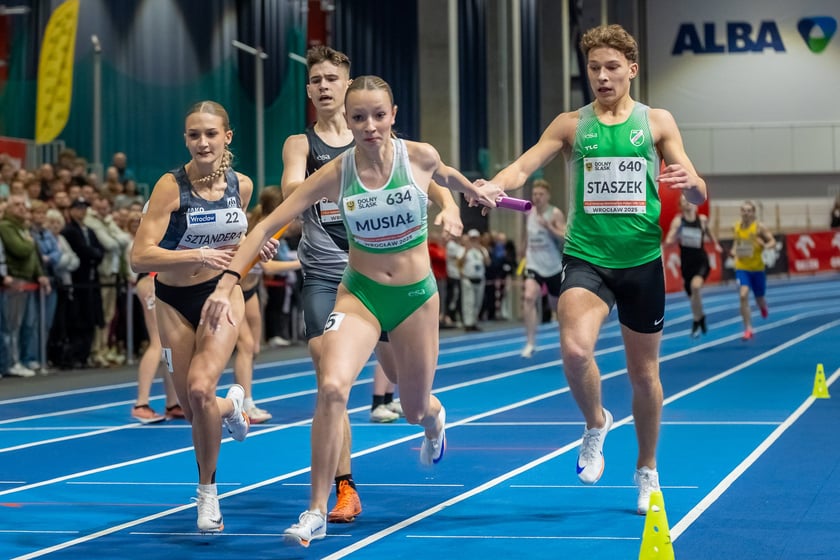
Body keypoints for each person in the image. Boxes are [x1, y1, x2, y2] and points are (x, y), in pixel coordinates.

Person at [204, 75, 501, 547]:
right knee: (332, 387)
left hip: (414, 301)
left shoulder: (417, 155)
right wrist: (226, 281)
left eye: (378, 116)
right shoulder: (337, 173)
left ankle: (434, 419)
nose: (369, 126)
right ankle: (316, 510)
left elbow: (449, 178)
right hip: (358, 293)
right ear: (348, 117)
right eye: (358, 117)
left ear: (393, 115)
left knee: (413, 408)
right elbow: (268, 226)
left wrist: (466, 199)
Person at [480, 24, 707, 515]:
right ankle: (595, 422)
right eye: (594, 68)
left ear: (632, 69)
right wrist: (495, 184)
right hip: (586, 257)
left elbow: (695, 188)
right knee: (574, 350)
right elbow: (522, 168)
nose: (602, 77)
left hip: (641, 261)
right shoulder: (570, 124)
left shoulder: (657, 122)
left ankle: (646, 470)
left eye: (611, 68)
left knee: (643, 375)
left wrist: (692, 184)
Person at [279, 47, 460, 524]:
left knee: (408, 395)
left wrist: (453, 205)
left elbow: (433, 177)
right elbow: (291, 194)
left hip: (399, 284)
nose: (321, 86)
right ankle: (337, 491)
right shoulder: (308, 148)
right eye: (313, 79)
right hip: (333, 276)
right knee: (331, 380)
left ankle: (429, 417)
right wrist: (283, 219)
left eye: (330, 79)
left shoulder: (391, 141)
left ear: (346, 86)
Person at [130, 100, 278, 533]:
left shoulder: (243, 186)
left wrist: (256, 247)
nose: (202, 142)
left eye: (211, 134)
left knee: (197, 388)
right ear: (186, 139)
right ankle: (233, 404)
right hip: (174, 300)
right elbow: (139, 256)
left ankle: (207, 494)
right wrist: (197, 253)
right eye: (194, 134)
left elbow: (240, 237)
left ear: (227, 137)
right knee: (198, 410)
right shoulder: (169, 187)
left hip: (221, 295)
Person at [520, 179, 566, 358]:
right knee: (529, 296)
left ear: (547, 196)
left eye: (540, 194)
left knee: (557, 307)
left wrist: (550, 228)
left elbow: (565, 237)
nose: (537, 197)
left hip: (553, 265)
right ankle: (530, 342)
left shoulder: (555, 213)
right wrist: (522, 249)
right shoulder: (528, 212)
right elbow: (528, 234)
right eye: (534, 194)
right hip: (533, 263)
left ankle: (565, 340)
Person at [665, 194, 721, 338]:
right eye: (684, 202)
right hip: (686, 264)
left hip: (701, 261)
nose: (687, 204)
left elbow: (710, 233)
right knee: (693, 297)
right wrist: (674, 236)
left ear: (694, 204)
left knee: (695, 287)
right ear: (681, 206)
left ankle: (697, 321)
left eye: (689, 201)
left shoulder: (702, 220)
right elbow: (670, 239)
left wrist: (716, 244)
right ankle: (699, 317)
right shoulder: (678, 221)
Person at [731, 200, 775, 340]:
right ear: (740, 212)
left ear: (753, 213)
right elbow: (736, 244)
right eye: (743, 210)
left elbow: (772, 241)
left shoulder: (759, 228)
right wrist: (733, 251)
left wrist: (766, 246)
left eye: (749, 210)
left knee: (759, 298)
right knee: (743, 295)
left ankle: (763, 306)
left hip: (757, 268)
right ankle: (748, 328)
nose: (746, 213)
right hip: (742, 267)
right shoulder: (737, 227)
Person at [459, 229, 489, 332]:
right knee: (469, 302)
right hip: (468, 279)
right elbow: (459, 263)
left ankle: (474, 322)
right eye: (472, 239)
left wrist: (481, 250)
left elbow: (488, 262)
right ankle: (468, 323)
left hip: (479, 279)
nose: (474, 240)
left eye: (476, 238)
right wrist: (466, 250)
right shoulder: (463, 250)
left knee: (477, 303)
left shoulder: (482, 250)